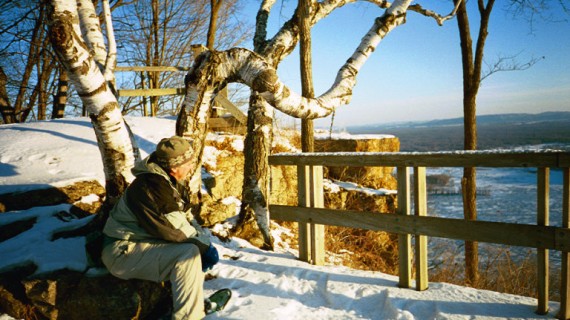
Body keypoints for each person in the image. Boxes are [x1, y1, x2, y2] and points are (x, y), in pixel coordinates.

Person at [101, 136, 219, 320]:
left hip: (140, 245)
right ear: (174, 167)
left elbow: (186, 217)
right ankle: (189, 316)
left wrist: (203, 241)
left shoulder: (167, 182)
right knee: (188, 254)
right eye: (188, 163)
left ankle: (187, 304)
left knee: (192, 249)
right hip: (122, 251)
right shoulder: (152, 187)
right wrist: (204, 248)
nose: (191, 167)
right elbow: (174, 229)